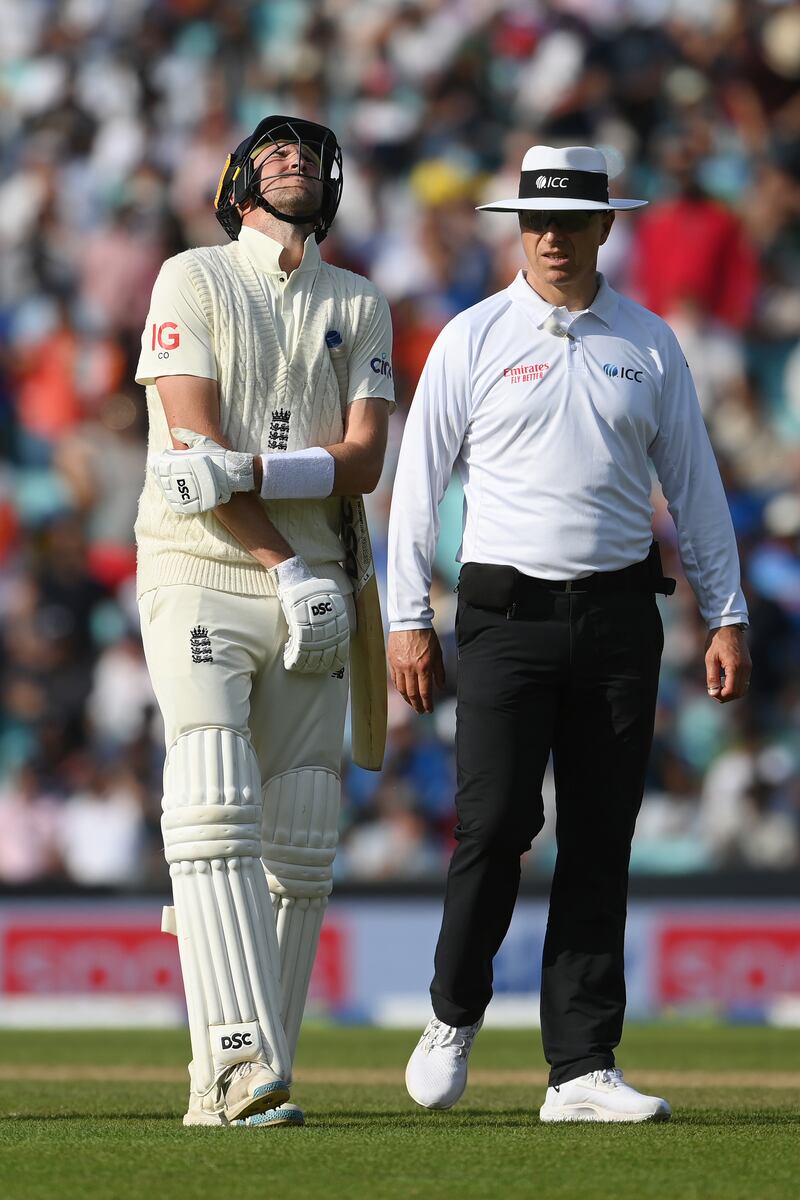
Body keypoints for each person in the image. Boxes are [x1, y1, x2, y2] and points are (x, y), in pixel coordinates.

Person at [387, 145, 751, 1123]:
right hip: (504, 614)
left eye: (568, 222)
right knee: (494, 823)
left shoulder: (649, 342)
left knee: (599, 837)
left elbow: (694, 487)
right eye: (534, 223)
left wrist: (725, 611)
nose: (550, 239)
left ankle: (580, 1066)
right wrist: (405, 616)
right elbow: (415, 484)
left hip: (618, 614)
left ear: (604, 227)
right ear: (517, 231)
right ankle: (453, 1010)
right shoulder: (470, 336)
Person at [136, 115, 394, 1127]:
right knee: (209, 805)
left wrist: (253, 479)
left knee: (298, 844)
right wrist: (279, 550)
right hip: (201, 567)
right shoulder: (191, 277)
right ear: (239, 180)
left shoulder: (358, 302)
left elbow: (363, 459)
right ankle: (241, 1064)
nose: (291, 159)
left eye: (307, 154)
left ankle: (231, 1088)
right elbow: (188, 447)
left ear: (328, 185)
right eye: (271, 151)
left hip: (321, 583)